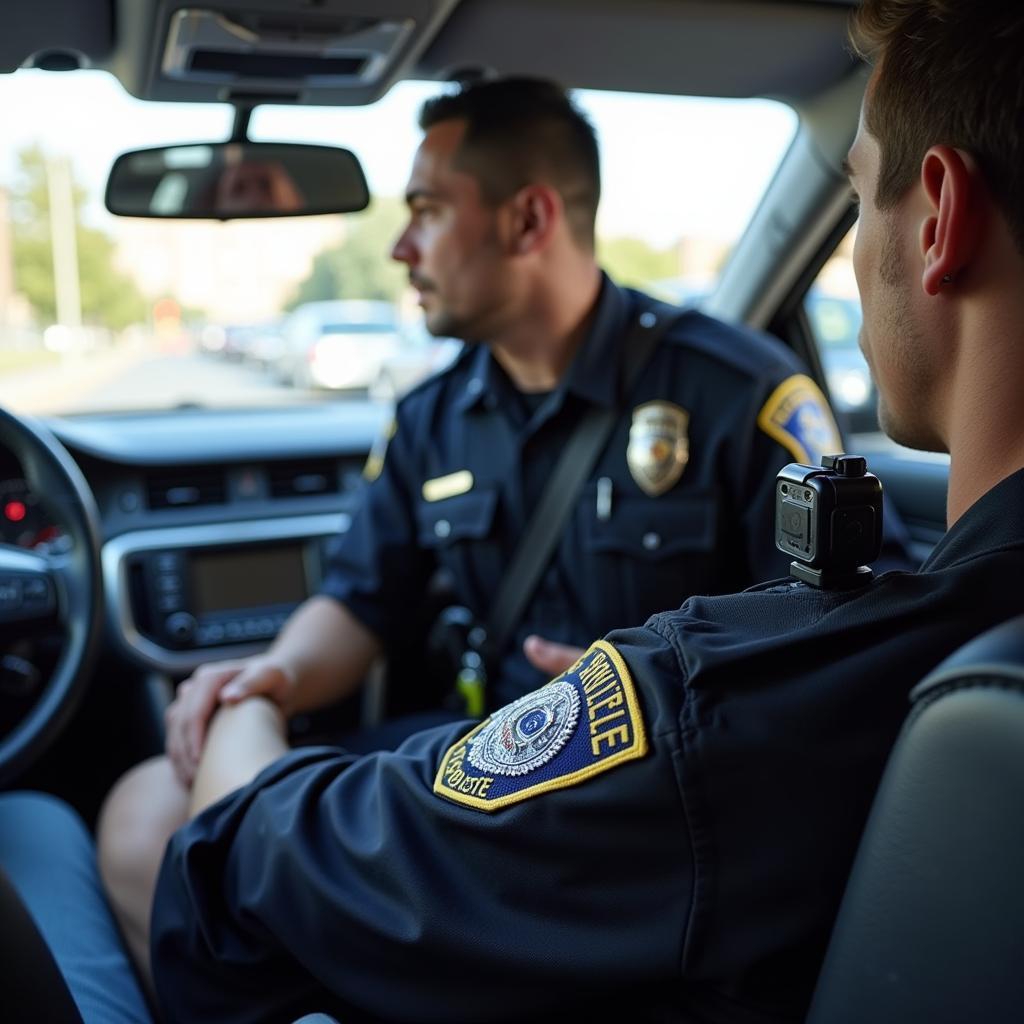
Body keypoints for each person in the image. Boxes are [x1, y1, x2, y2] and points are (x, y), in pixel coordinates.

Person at [96, 76, 851, 977]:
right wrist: (276, 675)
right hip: (473, 767)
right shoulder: (429, 417)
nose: (401, 248)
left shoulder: (739, 396)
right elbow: (362, 601)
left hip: (652, 804)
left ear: (527, 222)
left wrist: (654, 692)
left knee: (247, 845)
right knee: (145, 807)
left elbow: (826, 655)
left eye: (425, 211)